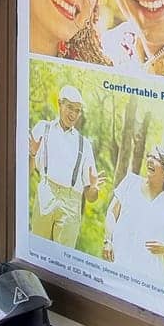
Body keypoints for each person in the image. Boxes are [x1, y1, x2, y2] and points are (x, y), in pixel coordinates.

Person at [103, 146, 164, 288]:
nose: (150, 160)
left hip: (151, 283)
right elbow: (111, 214)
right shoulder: (130, 183)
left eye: (156, 158)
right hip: (118, 269)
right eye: (149, 156)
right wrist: (107, 240)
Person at [28, 86, 102, 248]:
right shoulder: (43, 128)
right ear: (59, 104)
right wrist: (32, 154)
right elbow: (26, 173)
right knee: (38, 250)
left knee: (63, 258)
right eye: (69, 107)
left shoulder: (85, 144)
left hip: (71, 203)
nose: (73, 114)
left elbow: (90, 197)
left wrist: (94, 187)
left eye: (77, 110)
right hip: (46, 192)